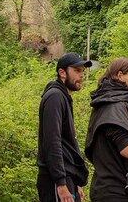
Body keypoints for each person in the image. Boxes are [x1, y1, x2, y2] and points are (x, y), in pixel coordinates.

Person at [85, 58, 128, 202]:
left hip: (111, 188)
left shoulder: (111, 100)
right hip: (113, 192)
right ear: (120, 75)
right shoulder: (114, 106)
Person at [38, 52, 92, 202]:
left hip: (68, 177)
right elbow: (52, 141)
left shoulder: (63, 96)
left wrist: (76, 181)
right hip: (55, 181)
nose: (81, 75)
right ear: (62, 73)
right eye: (76, 70)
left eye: (82, 71)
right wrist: (61, 184)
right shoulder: (55, 97)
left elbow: (67, 142)